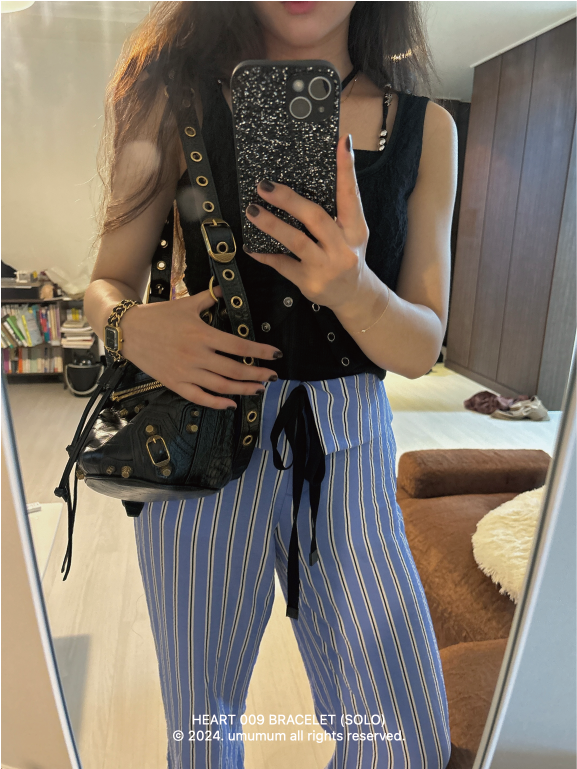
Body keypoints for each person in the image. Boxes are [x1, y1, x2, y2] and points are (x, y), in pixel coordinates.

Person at [85, 2, 457, 767]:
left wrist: (354, 291)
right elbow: (106, 279)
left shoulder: (428, 130)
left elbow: (421, 346)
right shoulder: (170, 99)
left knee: (402, 736)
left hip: (348, 442)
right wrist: (131, 326)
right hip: (203, 425)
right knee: (200, 718)